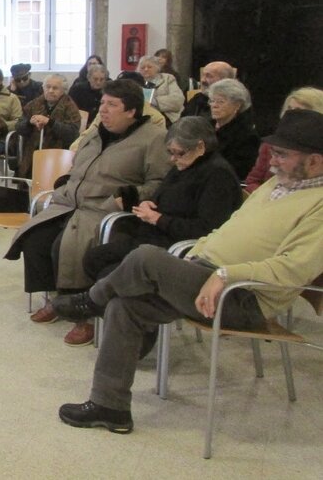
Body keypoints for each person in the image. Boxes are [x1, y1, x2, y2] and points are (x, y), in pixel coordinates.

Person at [54, 109, 323, 434]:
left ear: (314, 161)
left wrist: (225, 275)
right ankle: (110, 407)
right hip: (206, 273)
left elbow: (292, 268)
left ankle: (90, 301)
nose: (272, 161)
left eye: (282, 154)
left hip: (245, 297)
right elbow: (225, 230)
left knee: (146, 257)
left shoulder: (318, 204)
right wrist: (196, 256)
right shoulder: (275, 185)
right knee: (124, 306)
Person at [5, 79, 170, 346]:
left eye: (112, 105)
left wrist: (128, 197)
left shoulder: (154, 138)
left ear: (131, 111)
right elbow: (79, 168)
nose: (103, 109)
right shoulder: (95, 133)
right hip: (70, 201)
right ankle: (58, 299)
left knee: (68, 245)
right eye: (102, 103)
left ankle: (85, 314)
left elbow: (160, 182)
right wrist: (65, 183)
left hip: (105, 208)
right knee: (36, 237)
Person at [83, 116, 242, 287]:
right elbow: (164, 197)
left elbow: (207, 229)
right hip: (151, 236)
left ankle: (96, 299)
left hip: (174, 247)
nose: (172, 159)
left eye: (179, 153)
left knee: (109, 273)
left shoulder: (218, 177)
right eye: (170, 152)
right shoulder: (185, 164)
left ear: (200, 147)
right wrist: (147, 203)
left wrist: (158, 219)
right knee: (94, 258)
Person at [246, 87, 323, 191]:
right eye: (289, 109)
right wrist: (268, 194)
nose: (290, 116)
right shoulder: (271, 145)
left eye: (299, 111)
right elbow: (253, 180)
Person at [15, 74, 81, 178]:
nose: (50, 91)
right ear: (43, 88)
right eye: (48, 87)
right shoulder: (34, 104)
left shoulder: (70, 107)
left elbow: (73, 134)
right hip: (32, 151)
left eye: (55, 88)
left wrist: (50, 122)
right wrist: (29, 123)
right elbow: (18, 127)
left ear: (63, 90)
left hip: (59, 153)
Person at [208, 78, 260, 179]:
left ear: (237, 105)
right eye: (212, 101)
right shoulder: (205, 126)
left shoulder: (247, 136)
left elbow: (237, 172)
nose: (214, 105)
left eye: (220, 102)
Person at [137, 55, 184, 125]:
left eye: (149, 67)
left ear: (157, 68)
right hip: (142, 117)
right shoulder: (135, 81)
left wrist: (155, 101)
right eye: (142, 67)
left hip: (166, 116)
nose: (146, 69)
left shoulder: (167, 78)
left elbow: (177, 100)